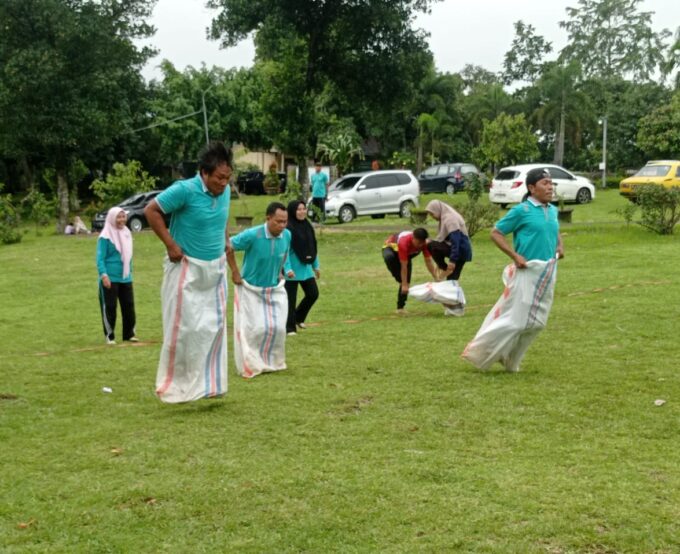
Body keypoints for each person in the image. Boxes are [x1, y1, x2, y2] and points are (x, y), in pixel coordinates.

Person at [144, 141, 233, 403]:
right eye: (219, 178)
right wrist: (170, 244)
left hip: (215, 269)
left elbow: (223, 217)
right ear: (204, 173)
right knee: (183, 329)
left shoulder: (225, 192)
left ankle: (210, 384)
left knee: (213, 327)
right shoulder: (185, 189)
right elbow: (151, 210)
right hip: (186, 268)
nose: (224, 183)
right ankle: (176, 387)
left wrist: (225, 240)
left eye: (228, 178)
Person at [462, 167, 564, 372]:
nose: (550, 187)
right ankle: (481, 352)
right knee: (518, 321)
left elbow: (554, 230)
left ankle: (511, 360)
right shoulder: (521, 211)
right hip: (526, 273)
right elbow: (496, 233)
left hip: (547, 271)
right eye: (545, 183)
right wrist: (515, 256)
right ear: (532, 188)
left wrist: (559, 245)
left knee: (538, 323)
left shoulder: (552, 210)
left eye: (551, 183)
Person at [227, 202, 293, 378]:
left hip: (273, 288)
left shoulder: (287, 235)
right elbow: (228, 246)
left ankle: (274, 361)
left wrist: (281, 270)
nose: (282, 226)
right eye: (278, 221)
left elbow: (285, 253)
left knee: (277, 328)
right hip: (251, 289)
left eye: (285, 222)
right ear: (268, 218)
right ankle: (252, 364)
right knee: (254, 329)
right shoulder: (252, 235)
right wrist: (235, 271)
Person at [96, 207, 137, 345]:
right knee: (110, 307)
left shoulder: (127, 233)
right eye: (118, 217)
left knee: (129, 306)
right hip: (110, 278)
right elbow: (100, 258)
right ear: (112, 219)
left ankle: (129, 334)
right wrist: (104, 275)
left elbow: (128, 255)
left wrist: (129, 272)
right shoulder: (105, 236)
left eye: (123, 217)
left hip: (125, 277)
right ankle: (110, 335)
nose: (122, 220)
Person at [284, 200, 320, 336]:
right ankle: (290, 328)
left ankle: (298, 318)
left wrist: (316, 266)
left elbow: (312, 247)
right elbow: (284, 251)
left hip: (305, 269)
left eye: (304, 209)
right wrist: (287, 269)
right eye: (298, 209)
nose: (302, 212)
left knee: (313, 294)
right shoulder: (287, 229)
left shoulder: (308, 226)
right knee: (290, 301)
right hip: (291, 271)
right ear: (293, 211)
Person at [382, 228, 438, 313]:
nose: (420, 245)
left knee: (406, 282)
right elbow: (403, 266)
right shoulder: (404, 242)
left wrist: (436, 277)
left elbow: (428, 261)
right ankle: (400, 280)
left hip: (407, 254)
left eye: (422, 243)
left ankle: (400, 308)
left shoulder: (425, 244)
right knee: (403, 280)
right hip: (392, 249)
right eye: (418, 243)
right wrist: (403, 283)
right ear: (413, 238)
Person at [425, 200, 472, 282]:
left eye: (432, 214)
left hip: (460, 251)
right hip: (460, 251)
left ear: (437, 210)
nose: (432, 216)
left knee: (431, 245)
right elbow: (443, 240)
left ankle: (444, 268)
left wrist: (452, 261)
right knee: (451, 280)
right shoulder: (445, 216)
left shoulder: (450, 219)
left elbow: (456, 241)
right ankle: (444, 268)